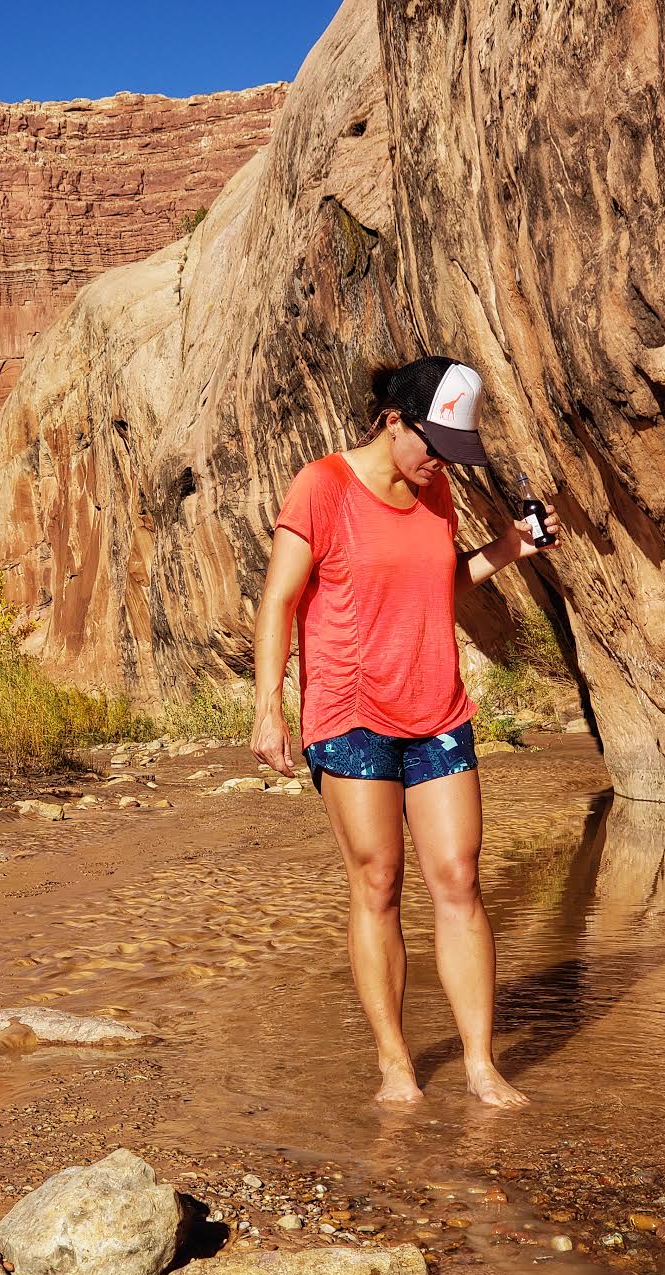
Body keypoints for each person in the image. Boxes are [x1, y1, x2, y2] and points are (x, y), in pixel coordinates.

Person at [249, 356, 561, 1108]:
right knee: (379, 883)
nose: (440, 465)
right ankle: (396, 1065)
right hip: (351, 711)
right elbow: (280, 599)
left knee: (458, 880)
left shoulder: (436, 490)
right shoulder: (321, 486)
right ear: (395, 421)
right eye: (434, 447)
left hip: (438, 708)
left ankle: (483, 1065)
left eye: (453, 453)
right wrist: (269, 703)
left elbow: (438, 581)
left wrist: (513, 548)